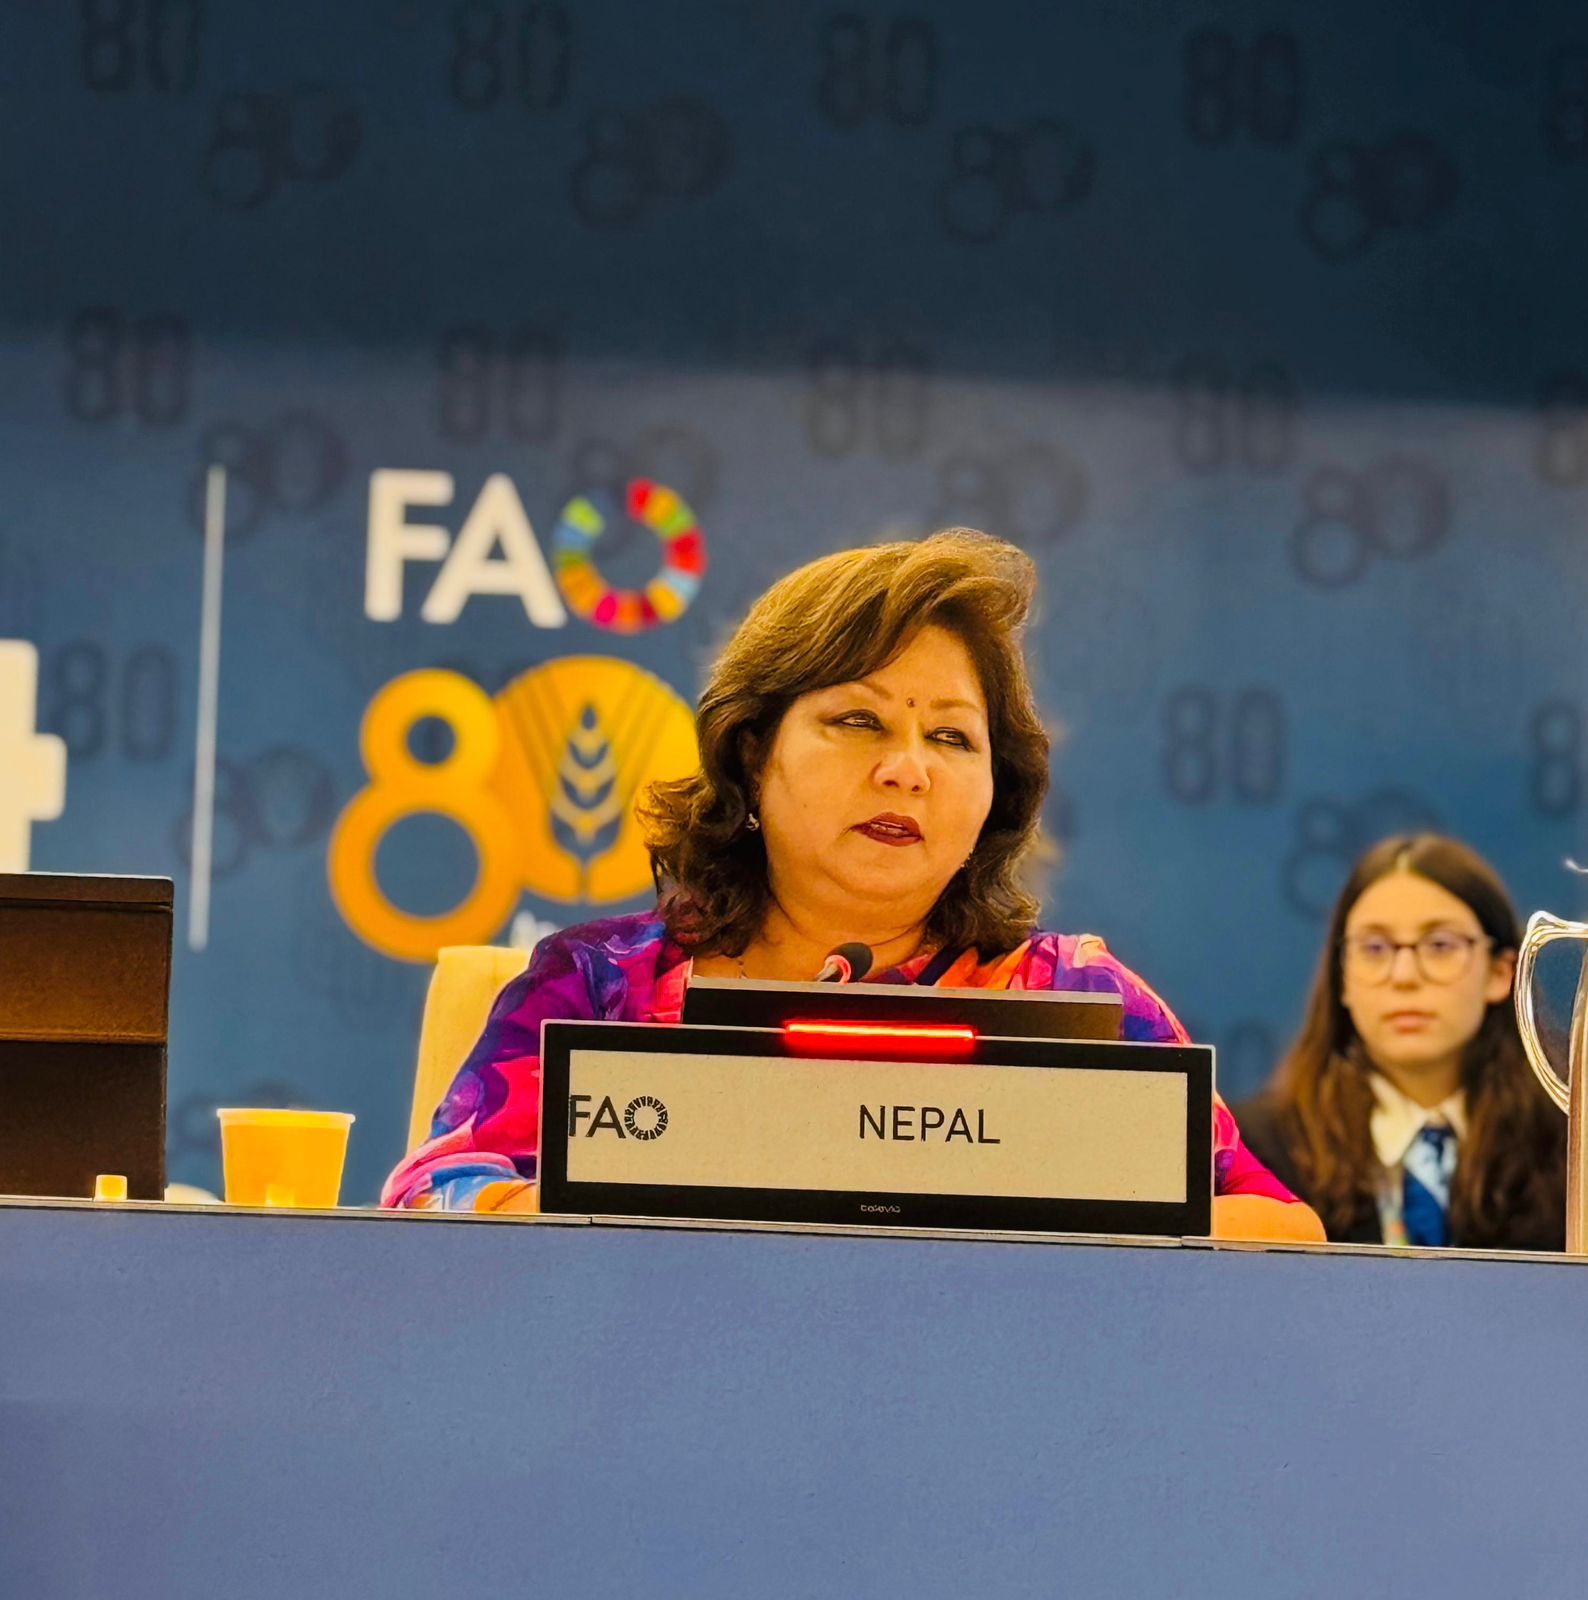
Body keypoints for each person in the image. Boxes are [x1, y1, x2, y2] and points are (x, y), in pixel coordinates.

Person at [383, 530, 1323, 1242]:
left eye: (951, 737)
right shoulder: (598, 989)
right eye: (860, 722)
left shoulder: (1080, 1001)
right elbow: (435, 1201)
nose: (908, 770)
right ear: (752, 755)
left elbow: (1280, 1232)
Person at [1237, 835, 1565, 1250]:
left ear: (1501, 973)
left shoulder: (1568, 1153)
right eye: (1375, 948)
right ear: (1343, 977)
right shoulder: (1260, 1152)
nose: (1404, 975)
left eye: (1440, 945)